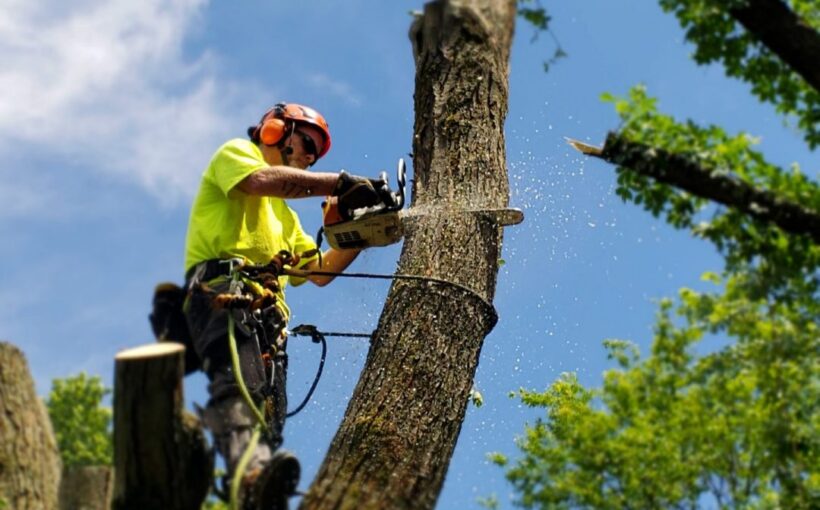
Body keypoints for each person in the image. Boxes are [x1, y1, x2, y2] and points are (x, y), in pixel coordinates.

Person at [182, 103, 384, 509]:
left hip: (269, 320)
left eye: (317, 153)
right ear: (275, 130)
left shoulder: (287, 219)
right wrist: (339, 183)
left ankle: (261, 489)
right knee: (240, 386)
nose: (310, 157)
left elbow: (320, 272)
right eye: (307, 142)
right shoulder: (238, 155)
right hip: (224, 293)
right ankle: (250, 476)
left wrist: (363, 232)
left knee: (270, 416)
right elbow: (260, 182)